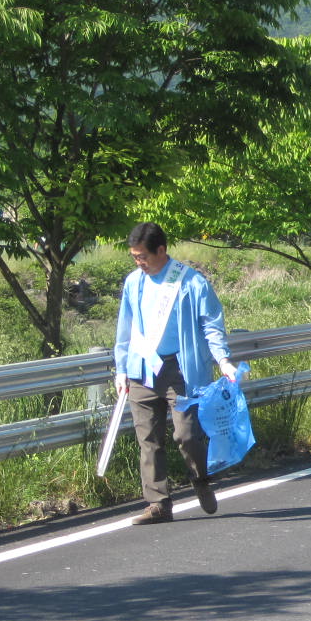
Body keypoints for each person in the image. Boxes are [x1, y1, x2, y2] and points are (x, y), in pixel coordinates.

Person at [113, 222, 238, 525]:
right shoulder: (134, 283)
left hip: (179, 369)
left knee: (187, 434)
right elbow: (125, 327)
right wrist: (121, 368)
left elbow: (211, 324)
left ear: (161, 250)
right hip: (141, 368)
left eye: (143, 256)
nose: (138, 263)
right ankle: (158, 503)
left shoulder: (191, 282)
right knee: (148, 437)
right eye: (134, 257)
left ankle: (200, 479)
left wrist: (223, 360)